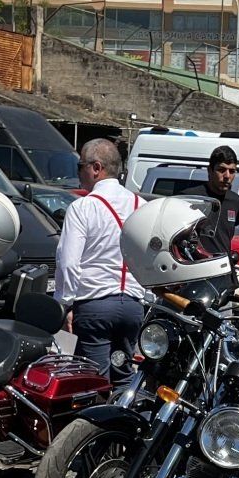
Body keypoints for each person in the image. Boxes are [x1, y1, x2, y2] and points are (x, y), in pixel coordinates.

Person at [54, 138, 145, 376]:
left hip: (95, 306)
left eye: (80, 166)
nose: (78, 174)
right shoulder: (142, 206)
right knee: (123, 377)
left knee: (94, 379)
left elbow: (69, 262)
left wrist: (65, 304)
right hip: (133, 307)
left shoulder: (83, 207)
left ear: (96, 168)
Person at [197, 144, 239, 257]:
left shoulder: (236, 201)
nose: (227, 176)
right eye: (221, 170)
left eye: (232, 171)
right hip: (196, 268)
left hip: (224, 267)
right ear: (210, 170)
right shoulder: (191, 198)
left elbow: (226, 236)